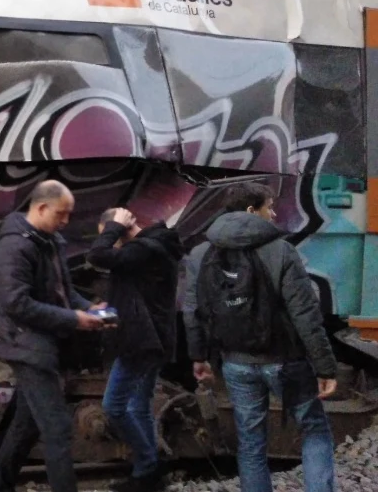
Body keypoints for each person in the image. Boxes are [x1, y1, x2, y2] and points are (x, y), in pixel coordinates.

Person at [184, 182, 337, 492]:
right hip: (286, 361)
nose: (275, 212)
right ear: (252, 211)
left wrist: (199, 357)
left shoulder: (201, 253)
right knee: (313, 430)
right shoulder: (280, 250)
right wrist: (325, 368)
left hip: (236, 363)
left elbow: (193, 311)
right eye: (270, 206)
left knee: (251, 442)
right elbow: (305, 314)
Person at [0, 180, 111, 492]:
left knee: (26, 425)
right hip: (23, 343)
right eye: (61, 214)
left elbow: (63, 293)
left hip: (38, 341)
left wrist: (91, 310)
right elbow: (16, 304)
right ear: (41, 208)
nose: (66, 221)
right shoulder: (14, 247)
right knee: (57, 428)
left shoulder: (48, 240)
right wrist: (74, 319)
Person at [86, 208, 185, 492]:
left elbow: (97, 255)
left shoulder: (144, 249)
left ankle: (149, 468)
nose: (109, 240)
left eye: (110, 235)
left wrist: (114, 227)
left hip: (141, 342)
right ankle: (147, 471)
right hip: (153, 340)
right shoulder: (153, 248)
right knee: (139, 407)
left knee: (114, 407)